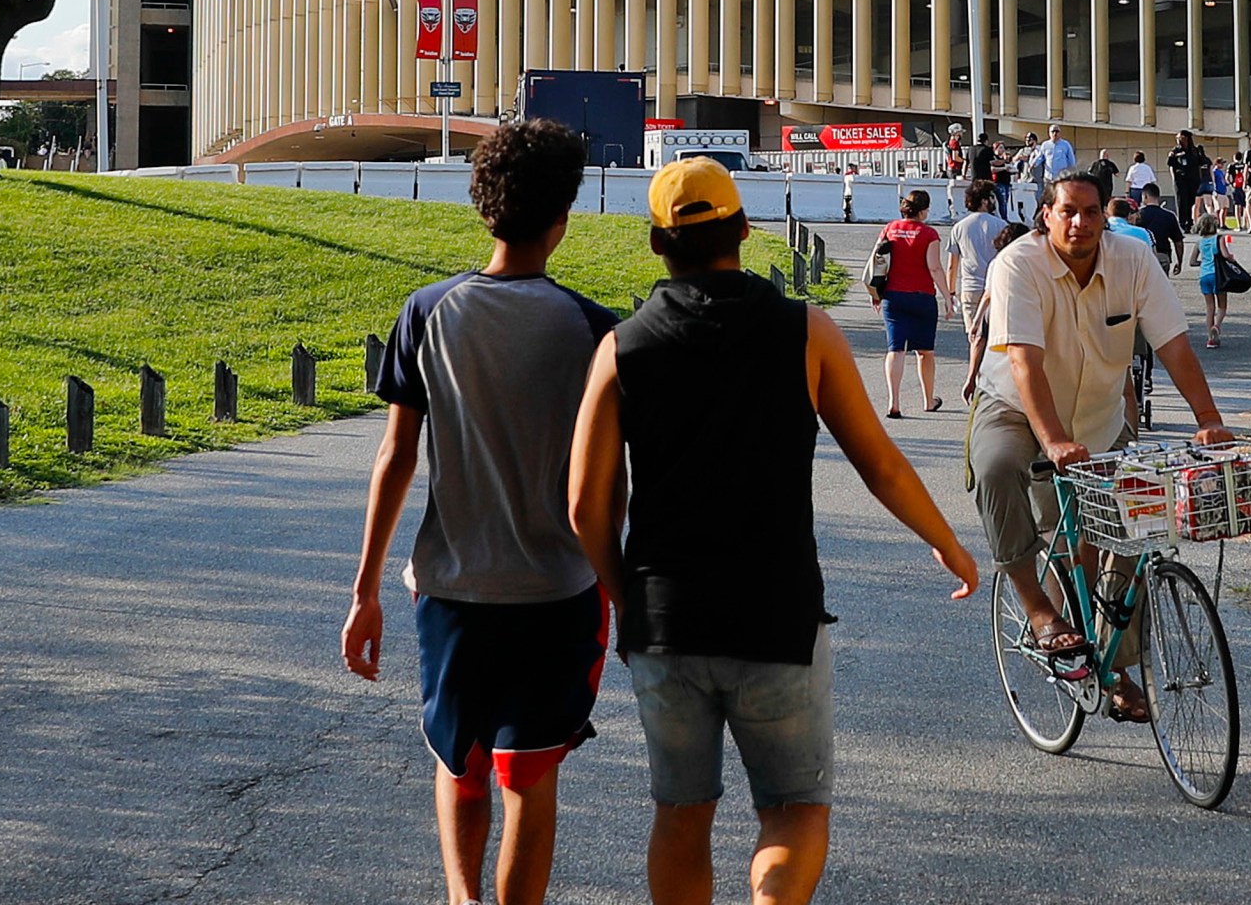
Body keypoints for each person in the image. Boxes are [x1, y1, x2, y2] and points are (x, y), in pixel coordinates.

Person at [567, 159, 979, 905]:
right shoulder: (805, 331)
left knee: (681, 815)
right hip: (776, 615)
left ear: (658, 243)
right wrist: (946, 541)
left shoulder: (621, 348)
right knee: (792, 809)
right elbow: (878, 463)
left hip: (667, 619)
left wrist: (624, 597)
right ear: (745, 231)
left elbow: (585, 507)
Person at [344, 119, 616, 905]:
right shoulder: (592, 329)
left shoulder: (426, 312)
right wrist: (624, 589)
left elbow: (394, 458)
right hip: (559, 592)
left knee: (458, 762)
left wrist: (364, 591)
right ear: (562, 221)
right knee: (528, 776)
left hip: (451, 589)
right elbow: (607, 480)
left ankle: (463, 901)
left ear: (481, 208)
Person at [966, 169, 1235, 723]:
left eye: (1091, 212)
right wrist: (1054, 438)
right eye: (1068, 211)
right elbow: (1024, 363)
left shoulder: (1132, 261)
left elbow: (1173, 344)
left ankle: (1113, 667)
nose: (1081, 222)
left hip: (1100, 419)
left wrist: (1208, 419)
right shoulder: (1018, 264)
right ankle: (1038, 609)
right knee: (996, 469)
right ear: (1046, 215)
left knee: (1124, 533)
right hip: (1018, 408)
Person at [872, 189, 950, 417]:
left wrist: (875, 292)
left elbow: (878, 261)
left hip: (893, 297)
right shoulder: (929, 234)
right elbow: (934, 267)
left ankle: (893, 402)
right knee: (925, 352)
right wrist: (947, 296)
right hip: (922, 297)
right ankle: (928, 400)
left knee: (895, 350)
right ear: (924, 211)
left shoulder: (890, 228)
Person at [960, 222, 1032, 400]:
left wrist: (976, 320)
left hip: (997, 308)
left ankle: (972, 379)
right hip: (1025, 310)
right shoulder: (1033, 261)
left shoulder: (998, 261)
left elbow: (988, 294)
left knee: (981, 341)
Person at [945, 180, 1007, 340]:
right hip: (996, 287)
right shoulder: (1002, 226)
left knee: (975, 337)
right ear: (985, 200)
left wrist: (950, 293)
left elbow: (952, 265)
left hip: (970, 287)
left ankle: (975, 364)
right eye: (992, 198)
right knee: (996, 338)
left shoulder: (959, 227)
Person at [1192, 212, 1234, 349]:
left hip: (1204, 275)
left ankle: (1210, 338)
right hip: (1218, 275)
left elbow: (1192, 262)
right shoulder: (1219, 239)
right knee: (1222, 306)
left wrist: (1203, 263)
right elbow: (1225, 255)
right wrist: (1231, 258)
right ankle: (1217, 326)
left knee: (1209, 307)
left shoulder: (1199, 243)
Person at [1135, 182, 1185, 275]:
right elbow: (1178, 242)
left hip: (1142, 256)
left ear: (1145, 196)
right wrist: (1179, 262)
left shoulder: (1137, 215)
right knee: (1161, 287)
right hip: (1162, 256)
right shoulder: (1169, 216)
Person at [1165, 130, 1210, 230]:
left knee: (1190, 201)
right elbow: (1170, 163)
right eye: (1177, 138)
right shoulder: (1176, 150)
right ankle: (1182, 223)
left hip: (1193, 179)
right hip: (1180, 179)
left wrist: (1201, 154)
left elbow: (1204, 162)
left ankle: (1189, 222)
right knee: (1181, 201)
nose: (1178, 140)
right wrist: (1172, 156)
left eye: (1180, 138)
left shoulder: (1195, 150)